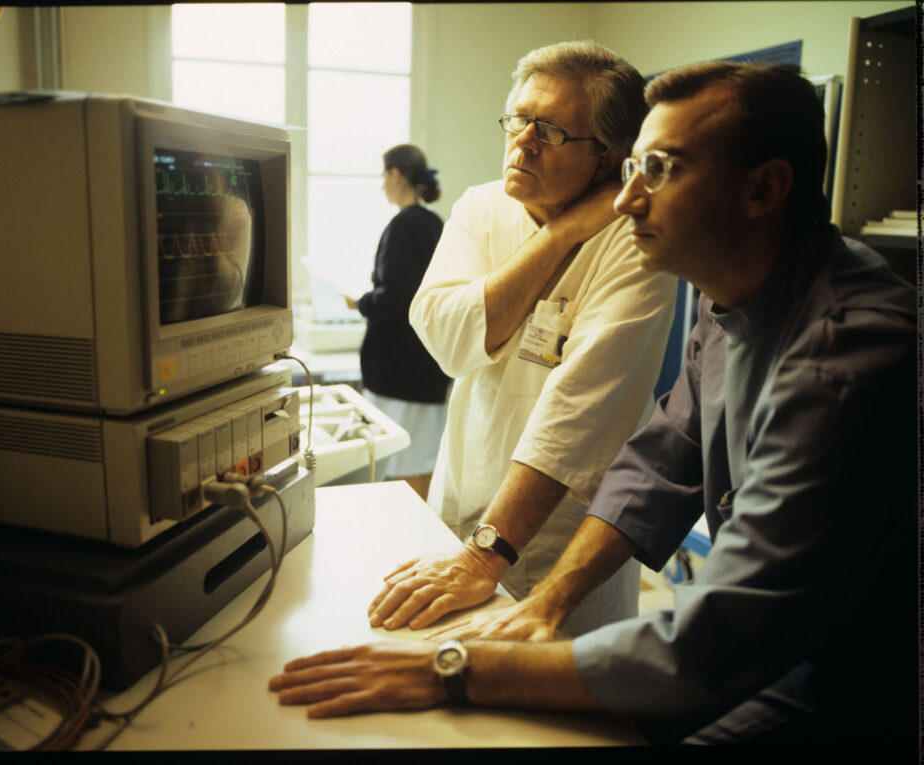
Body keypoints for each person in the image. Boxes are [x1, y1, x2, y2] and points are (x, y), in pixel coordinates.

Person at [269, 61, 917, 752]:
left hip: (853, 684)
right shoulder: (729, 293)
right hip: (761, 647)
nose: (628, 199)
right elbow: (664, 456)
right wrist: (546, 601)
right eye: (634, 167)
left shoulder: (845, 360)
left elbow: (714, 642)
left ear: (763, 187)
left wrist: (455, 669)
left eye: (660, 169)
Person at [367, 41, 678, 637]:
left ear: (607, 157)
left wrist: (487, 553)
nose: (523, 141)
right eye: (518, 118)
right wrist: (560, 234)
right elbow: (446, 338)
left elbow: (580, 408)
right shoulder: (481, 207)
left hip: (560, 545)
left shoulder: (635, 241)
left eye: (553, 132)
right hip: (458, 518)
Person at [345, 145, 450, 500]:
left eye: (383, 177)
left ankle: (407, 546)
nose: (382, 186)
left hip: (398, 371)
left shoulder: (403, 225)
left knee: (396, 467)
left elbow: (397, 295)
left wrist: (361, 302)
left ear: (395, 174)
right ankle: (420, 544)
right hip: (429, 366)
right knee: (422, 461)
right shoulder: (435, 223)